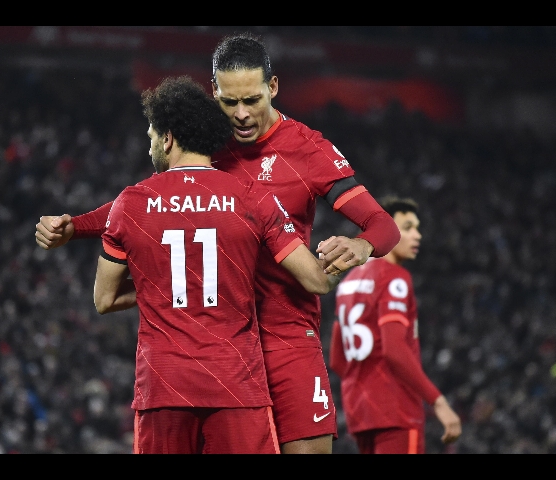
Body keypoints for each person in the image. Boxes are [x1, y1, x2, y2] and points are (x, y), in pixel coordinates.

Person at [35, 32, 400, 454]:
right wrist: (76, 227)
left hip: (285, 335)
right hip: (222, 346)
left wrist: (361, 246)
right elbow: (147, 200)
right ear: (214, 92)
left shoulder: (308, 150)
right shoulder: (206, 142)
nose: (241, 115)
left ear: (273, 87)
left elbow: (382, 225)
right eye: (230, 102)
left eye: (252, 100)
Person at [92, 75, 342, 454]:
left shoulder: (131, 203)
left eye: (151, 135)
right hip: (236, 382)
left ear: (168, 138)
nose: (149, 144)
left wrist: (160, 287)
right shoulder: (252, 196)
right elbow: (316, 280)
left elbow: (104, 299)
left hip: (163, 384)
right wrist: (339, 261)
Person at [329, 195, 462, 454]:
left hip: (360, 411)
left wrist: (367, 386)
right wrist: (438, 402)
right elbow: (394, 349)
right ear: (386, 232)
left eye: (417, 228)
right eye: (407, 228)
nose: (417, 236)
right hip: (396, 409)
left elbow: (336, 359)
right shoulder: (394, 278)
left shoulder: (348, 282)